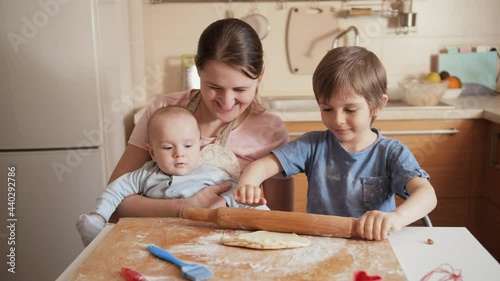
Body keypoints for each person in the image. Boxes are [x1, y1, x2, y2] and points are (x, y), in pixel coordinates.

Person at [233, 46, 437, 241]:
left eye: (350, 110)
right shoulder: (313, 145)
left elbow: (426, 194)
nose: (337, 119)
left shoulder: (391, 153)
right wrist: (248, 184)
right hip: (321, 244)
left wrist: (396, 218)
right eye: (327, 109)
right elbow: (263, 165)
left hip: (374, 246)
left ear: (377, 105)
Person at [107, 18, 293, 223]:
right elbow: (114, 205)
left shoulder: (270, 131)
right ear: (197, 68)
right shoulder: (162, 111)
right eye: (214, 87)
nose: (227, 102)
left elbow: (279, 220)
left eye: (240, 89)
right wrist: (184, 208)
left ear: (261, 75)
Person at [77, 106, 269, 246]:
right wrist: (99, 217)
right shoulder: (145, 174)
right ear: (152, 152)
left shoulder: (212, 175)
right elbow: (114, 191)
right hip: (151, 240)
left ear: (199, 145)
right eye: (168, 148)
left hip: (201, 241)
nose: (179, 153)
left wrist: (263, 214)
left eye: (188, 146)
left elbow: (240, 195)